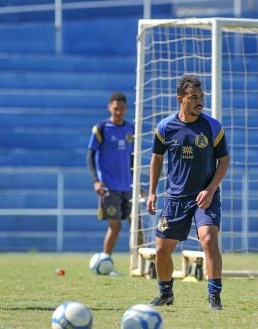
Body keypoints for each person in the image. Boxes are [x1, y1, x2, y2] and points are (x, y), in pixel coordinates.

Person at [146, 74, 229, 310]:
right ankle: (165, 294)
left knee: (209, 239)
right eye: (193, 97)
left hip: (205, 195)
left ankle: (214, 297)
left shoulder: (213, 126)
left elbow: (224, 161)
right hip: (175, 197)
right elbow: (156, 159)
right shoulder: (165, 127)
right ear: (180, 98)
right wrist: (152, 192)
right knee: (162, 250)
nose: (199, 102)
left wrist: (211, 189)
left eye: (201, 97)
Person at [86, 92, 134, 274]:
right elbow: (90, 155)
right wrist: (96, 181)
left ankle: (142, 265)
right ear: (109, 107)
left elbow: (133, 159)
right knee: (115, 226)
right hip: (109, 186)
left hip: (129, 186)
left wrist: (139, 184)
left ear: (125, 109)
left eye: (121, 108)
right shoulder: (101, 129)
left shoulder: (131, 129)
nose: (119, 112)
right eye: (115, 108)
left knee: (136, 224)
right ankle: (105, 262)